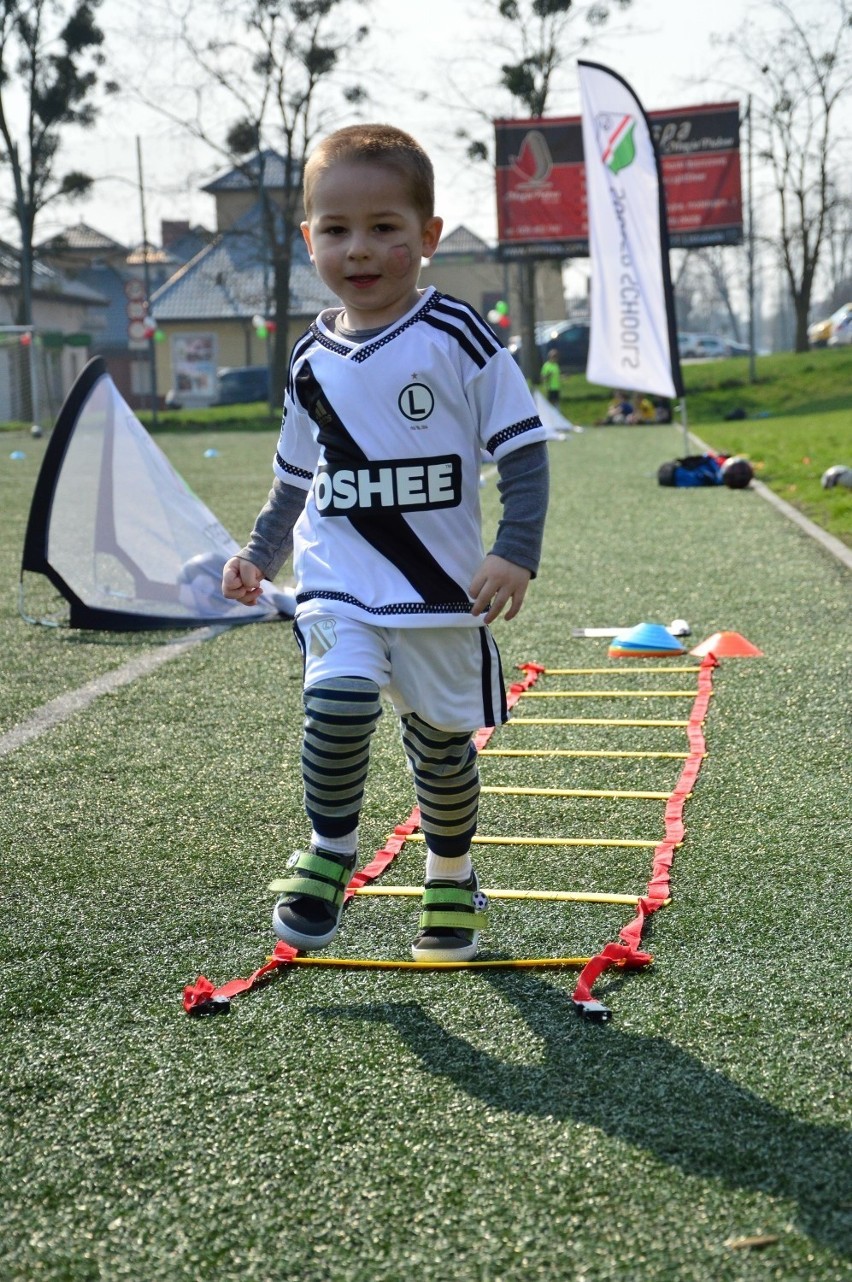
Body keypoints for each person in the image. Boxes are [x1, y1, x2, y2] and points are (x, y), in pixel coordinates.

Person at [222, 123, 550, 963]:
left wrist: (513, 547)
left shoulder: (460, 337)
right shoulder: (307, 360)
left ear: (427, 236)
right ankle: (331, 852)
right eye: (335, 230)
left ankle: (451, 871)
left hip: (442, 593)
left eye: (384, 228)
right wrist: (260, 555)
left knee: (440, 754)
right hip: (339, 581)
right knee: (334, 705)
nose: (358, 249)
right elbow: (294, 478)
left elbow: (522, 448)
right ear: (309, 240)